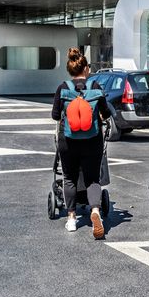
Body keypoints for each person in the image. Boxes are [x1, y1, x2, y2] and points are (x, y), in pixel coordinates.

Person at [51, 47, 111, 239]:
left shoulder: (63, 88)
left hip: (68, 141)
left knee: (69, 177)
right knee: (93, 178)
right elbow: (106, 113)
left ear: (70, 69)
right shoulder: (95, 87)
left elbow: (54, 115)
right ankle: (95, 210)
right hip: (92, 140)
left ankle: (71, 218)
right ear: (85, 69)